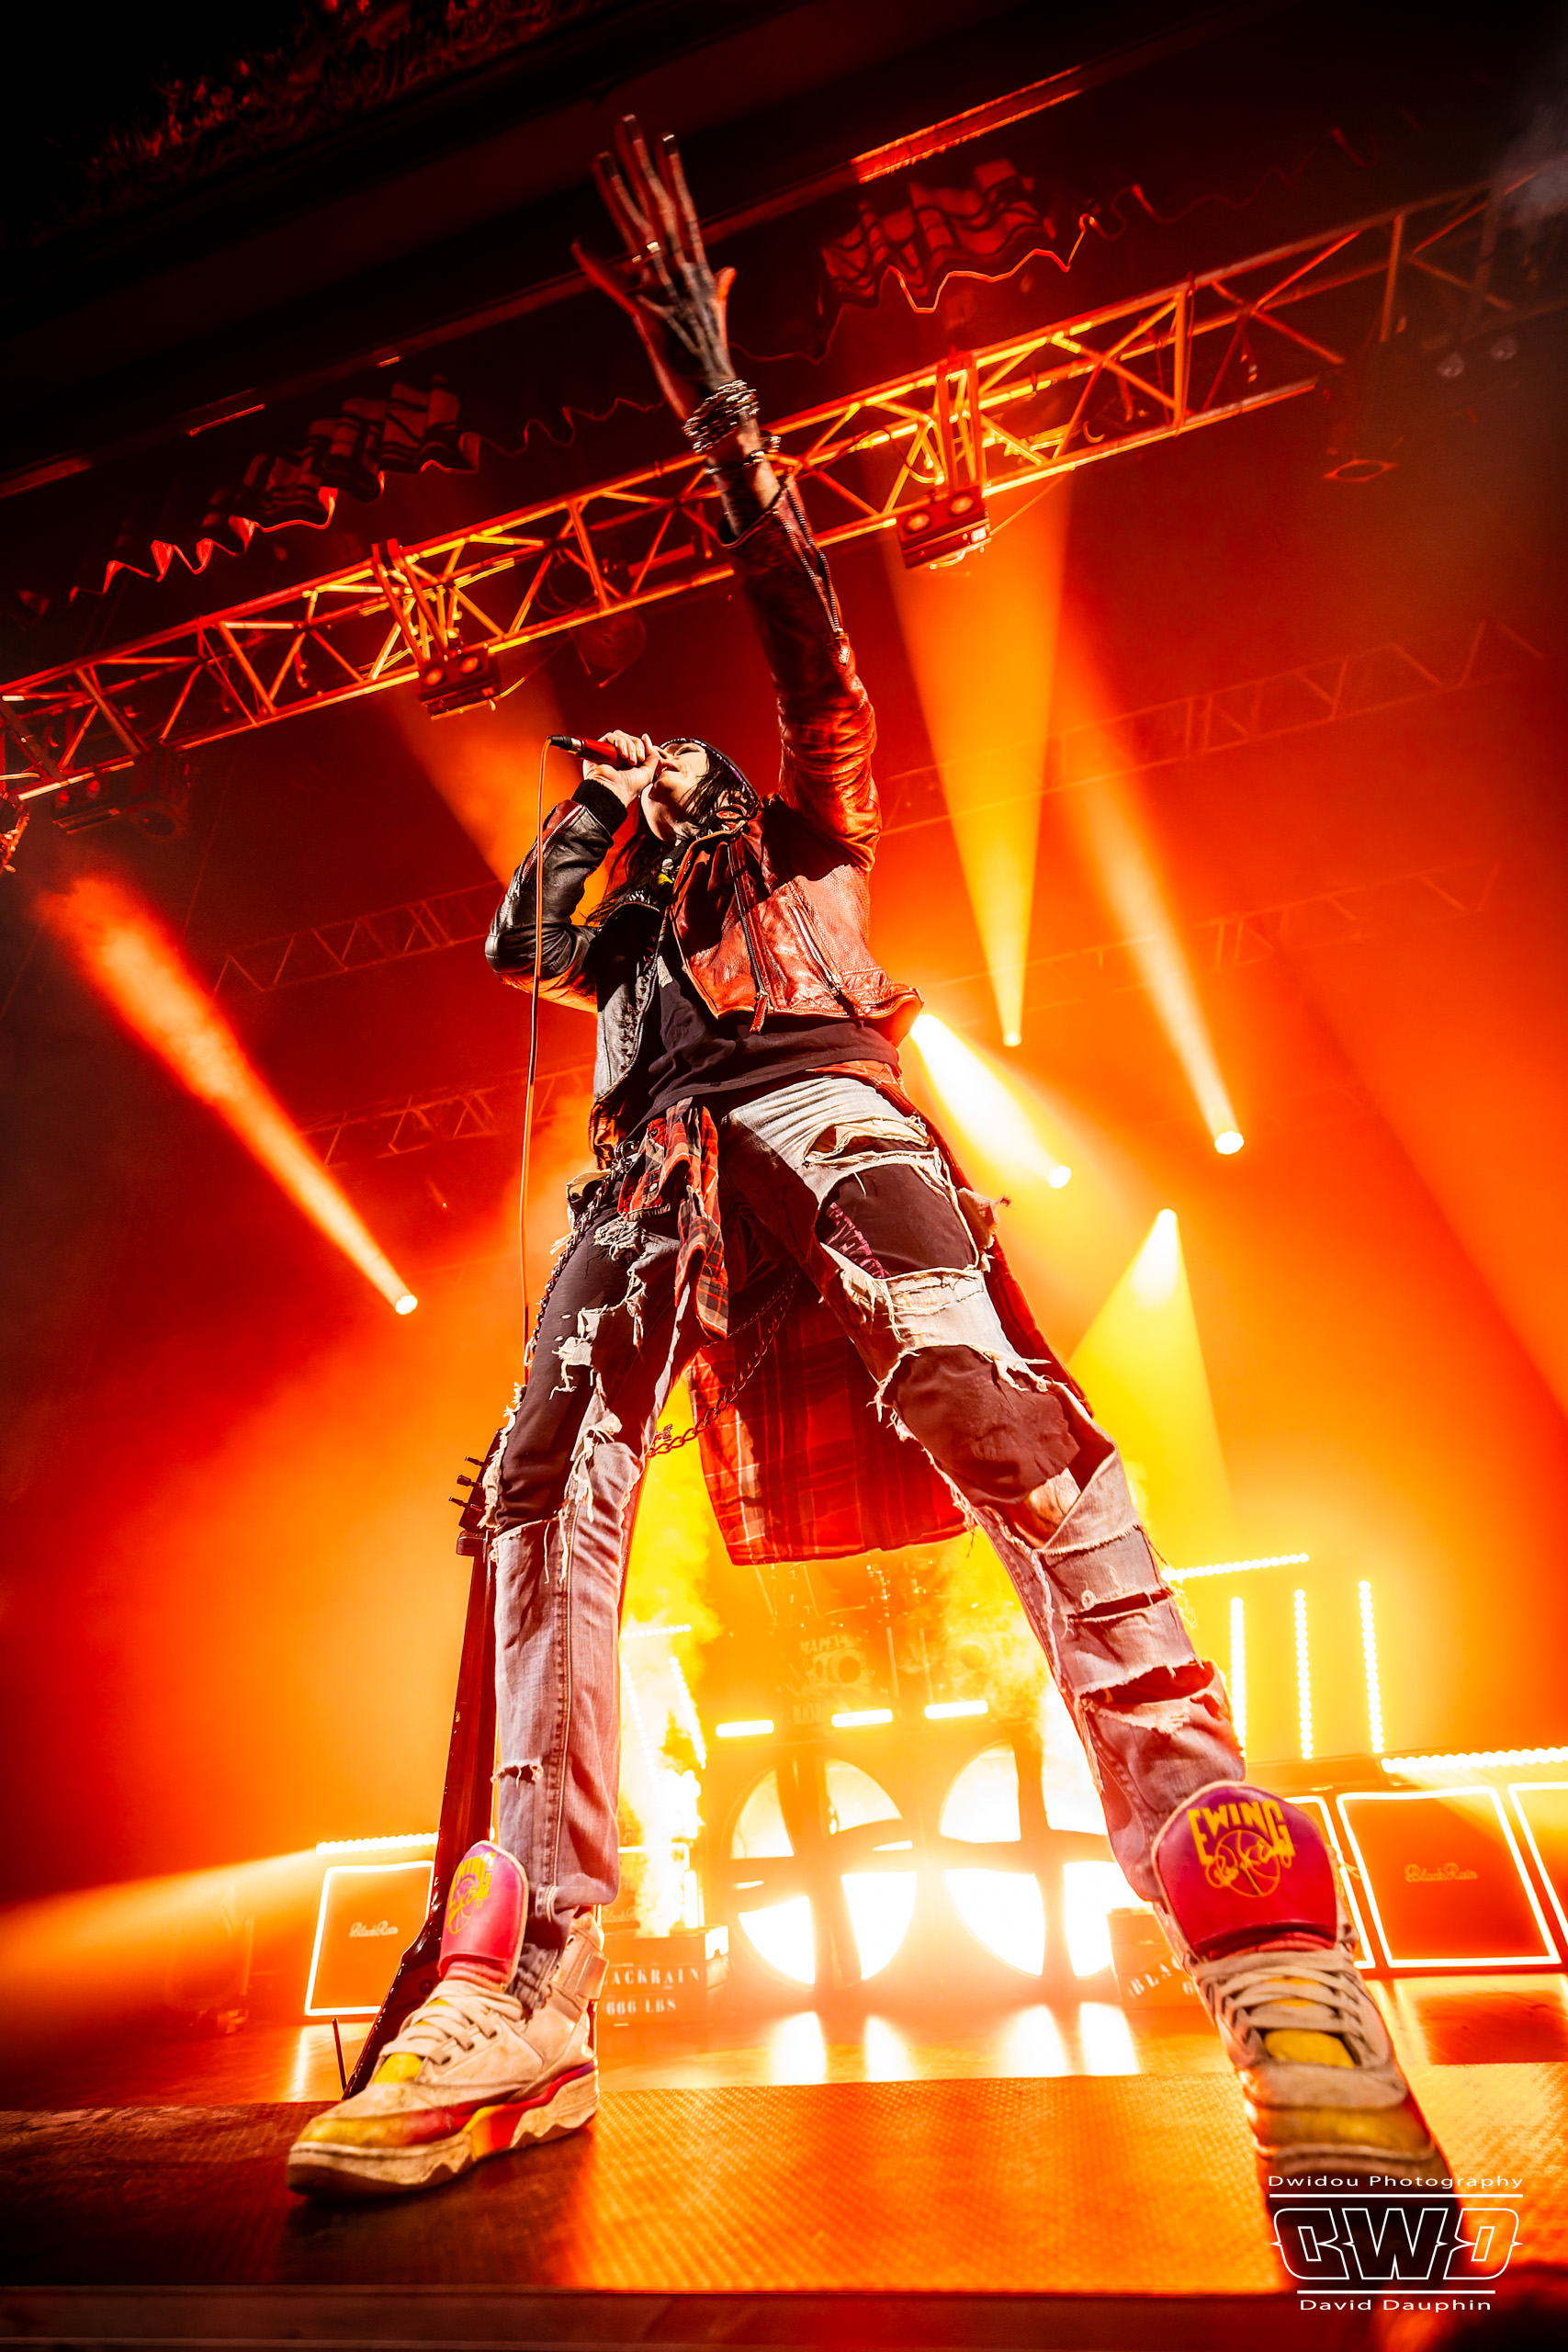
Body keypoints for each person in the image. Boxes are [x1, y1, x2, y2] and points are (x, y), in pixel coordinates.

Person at [288, 120, 1447, 2203]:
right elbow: (521, 941)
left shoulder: (812, 835)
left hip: (830, 1105)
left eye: (675, 766)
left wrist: (716, 395)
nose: (651, 773)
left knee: (991, 1409)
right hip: (646, 1174)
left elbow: (811, 640)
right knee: (542, 1501)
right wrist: (604, 814)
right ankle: (525, 1989)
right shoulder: (613, 954)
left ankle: (1266, 1945)